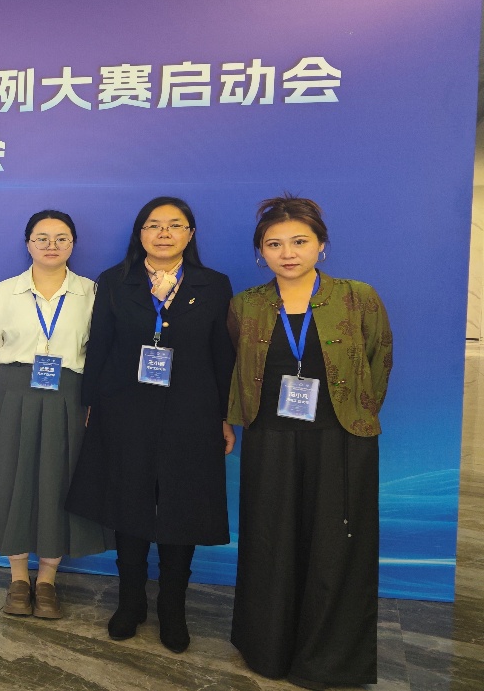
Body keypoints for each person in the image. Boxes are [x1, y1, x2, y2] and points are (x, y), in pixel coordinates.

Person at [228, 195, 392, 690]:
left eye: (299, 241)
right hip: (270, 440)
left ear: (322, 245)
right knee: (270, 544)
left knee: (336, 549)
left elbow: (379, 358)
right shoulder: (247, 304)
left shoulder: (357, 297)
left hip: (339, 439)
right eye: (274, 244)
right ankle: (268, 650)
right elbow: (235, 367)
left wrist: (357, 413)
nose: (288, 253)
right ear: (261, 252)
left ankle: (329, 660)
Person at [65, 197, 235, 653]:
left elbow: (222, 354)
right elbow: (100, 345)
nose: (163, 233)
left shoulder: (214, 284)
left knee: (184, 503)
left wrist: (224, 416)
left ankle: (173, 608)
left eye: (175, 225)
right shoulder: (114, 281)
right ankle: (131, 601)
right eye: (153, 225)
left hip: (192, 411)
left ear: (190, 234)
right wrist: (91, 404)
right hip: (125, 409)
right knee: (129, 499)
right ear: (139, 233)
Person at [0, 209, 112, 619]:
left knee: (58, 482)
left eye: (61, 238)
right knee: (11, 479)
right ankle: (17, 579)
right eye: (41, 237)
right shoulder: (4, 292)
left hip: (69, 394)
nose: (51, 245)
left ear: (73, 244)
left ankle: (46, 580)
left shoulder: (91, 293)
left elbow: (98, 350)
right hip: (14, 392)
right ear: (28, 243)